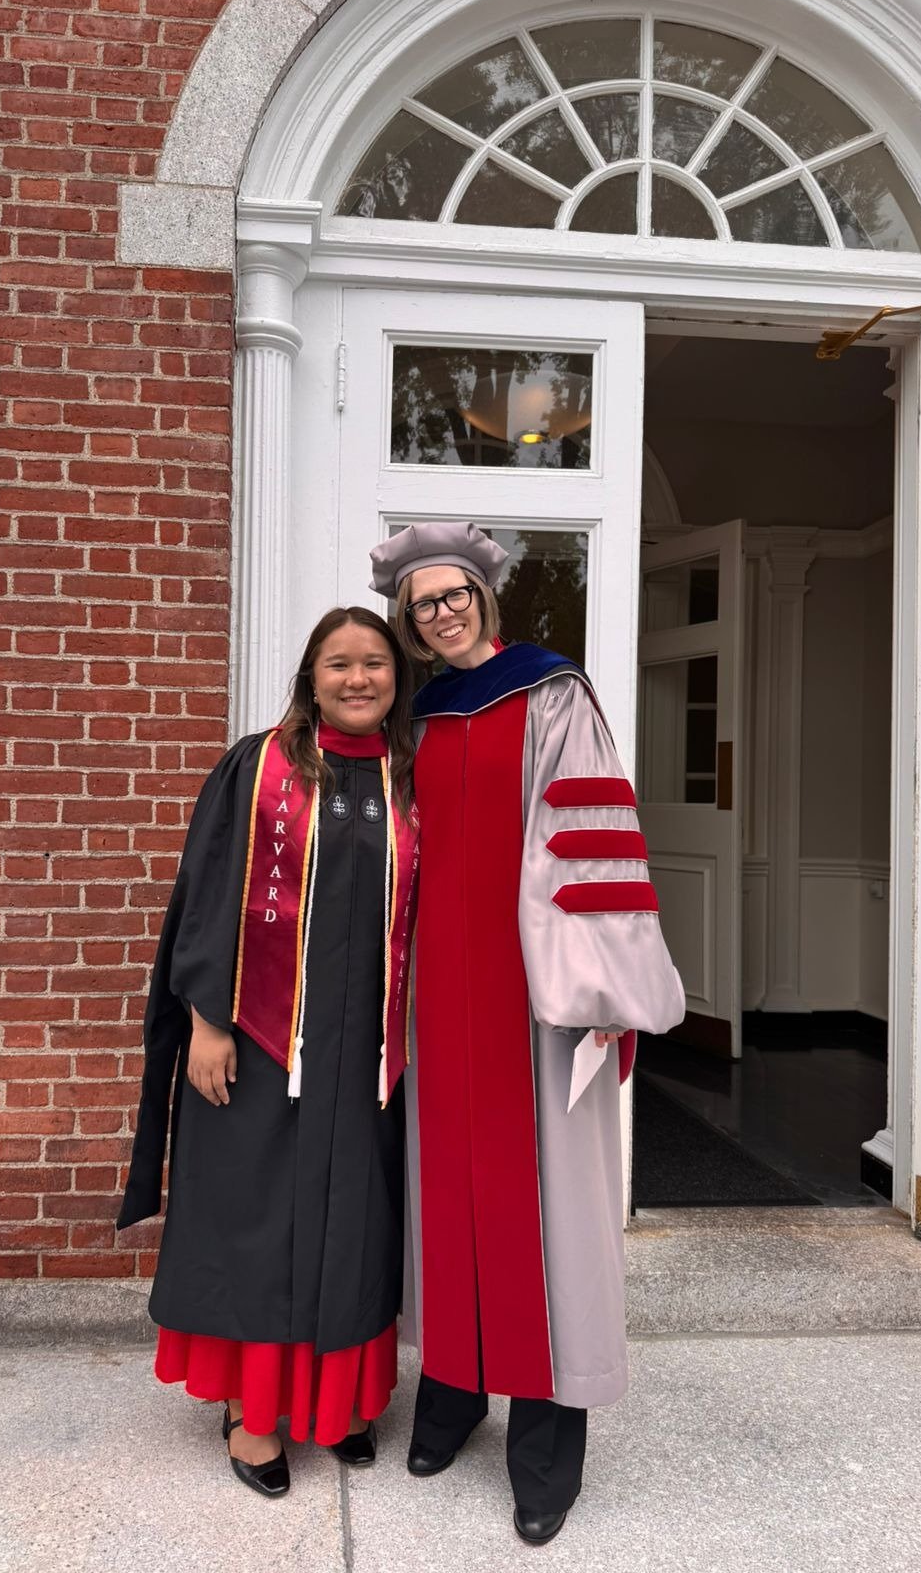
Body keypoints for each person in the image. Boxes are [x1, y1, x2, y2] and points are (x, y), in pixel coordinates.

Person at [369, 522, 684, 1547]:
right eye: (422, 604)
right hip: (437, 998)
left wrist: (598, 988)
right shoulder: (415, 717)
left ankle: (548, 1441)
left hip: (537, 994)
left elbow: (593, 840)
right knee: (448, 1196)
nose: (441, 614)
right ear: (408, 621)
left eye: (454, 595)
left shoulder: (551, 693)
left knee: (546, 1210)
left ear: (485, 596)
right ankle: (455, 1389)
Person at [117, 607, 419, 1498]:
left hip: (365, 1051)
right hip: (259, 1043)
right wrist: (207, 1021)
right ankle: (252, 1413)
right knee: (259, 1222)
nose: (358, 679)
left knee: (355, 1221)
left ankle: (342, 1404)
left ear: (397, 678)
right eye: (339, 664)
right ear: (311, 677)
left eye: (375, 663)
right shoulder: (259, 768)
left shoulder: (412, 778)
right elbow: (207, 895)